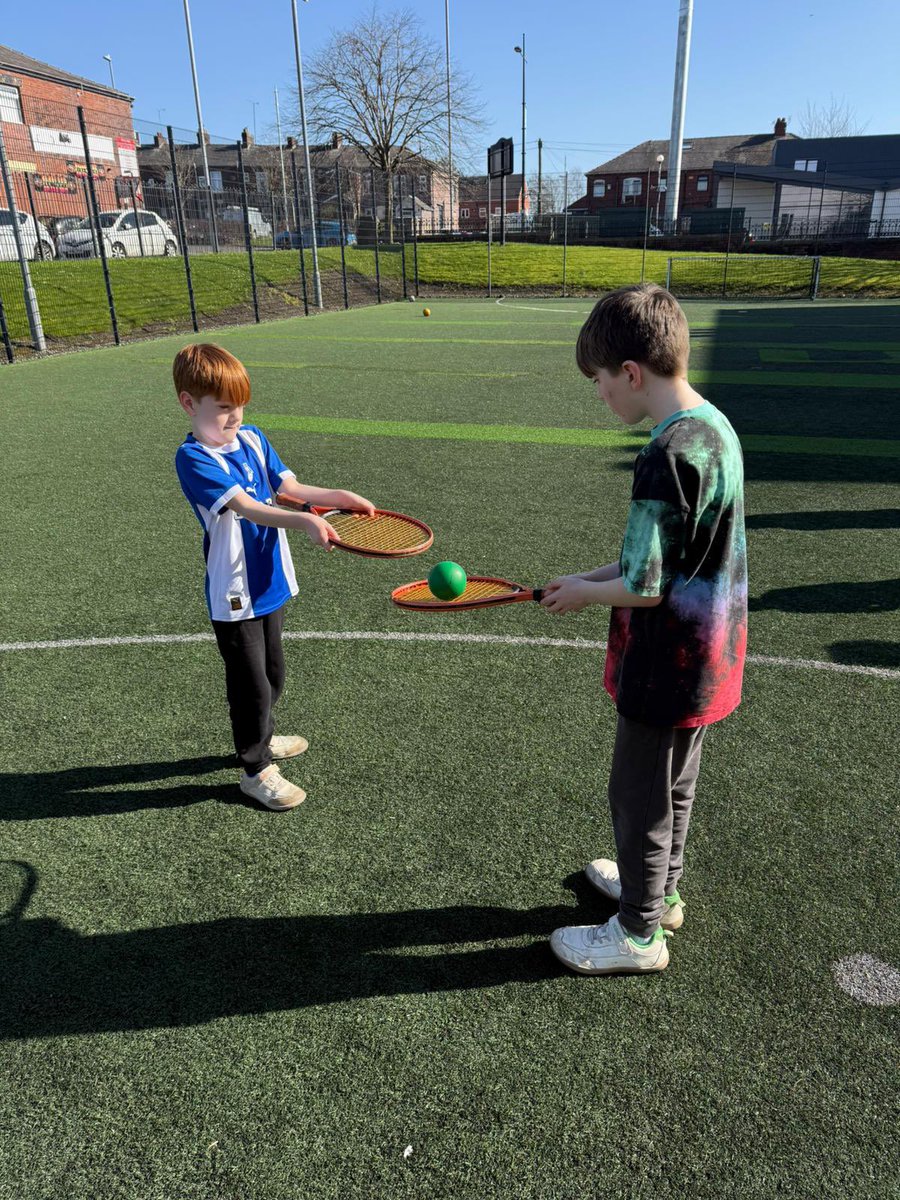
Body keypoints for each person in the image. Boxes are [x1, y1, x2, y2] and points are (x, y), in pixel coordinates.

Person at [541, 284, 747, 975]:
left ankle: (636, 933)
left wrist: (585, 596)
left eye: (601, 383)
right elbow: (656, 560)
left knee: (638, 797)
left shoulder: (663, 455)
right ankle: (660, 894)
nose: (601, 396)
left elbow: (645, 587)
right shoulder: (715, 427)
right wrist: (583, 579)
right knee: (675, 786)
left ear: (631, 373)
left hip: (666, 666)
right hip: (710, 659)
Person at [173, 343, 375, 811]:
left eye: (240, 405)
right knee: (250, 685)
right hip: (235, 590)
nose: (235, 416)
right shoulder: (194, 458)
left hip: (271, 581)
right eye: (223, 407)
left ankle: (261, 735)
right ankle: (254, 769)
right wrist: (306, 521)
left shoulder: (253, 439)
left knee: (272, 673)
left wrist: (337, 495)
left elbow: (288, 488)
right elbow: (248, 508)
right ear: (189, 403)